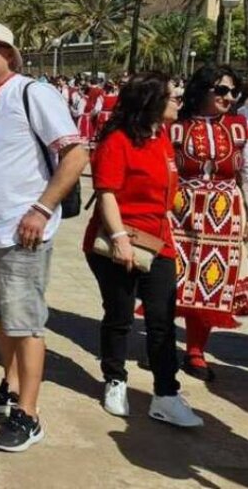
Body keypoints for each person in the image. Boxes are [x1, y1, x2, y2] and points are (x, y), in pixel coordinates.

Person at [0, 22, 87, 452]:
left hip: (23, 229)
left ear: (10, 53)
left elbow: (75, 154)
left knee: (26, 323)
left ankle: (28, 415)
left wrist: (42, 207)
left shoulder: (33, 93)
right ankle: (9, 389)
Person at [84, 72, 203, 427]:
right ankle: (115, 379)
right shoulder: (118, 140)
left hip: (158, 241)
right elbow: (106, 193)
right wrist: (120, 239)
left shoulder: (163, 137)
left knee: (162, 318)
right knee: (119, 314)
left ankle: (166, 393)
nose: (178, 101)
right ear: (151, 101)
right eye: (172, 96)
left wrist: (184, 216)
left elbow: (167, 189)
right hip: (118, 241)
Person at [170, 64, 248, 381]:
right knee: (172, 279)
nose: (229, 97)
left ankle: (195, 351)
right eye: (221, 90)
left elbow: (247, 172)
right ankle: (162, 345)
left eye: (233, 91)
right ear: (202, 89)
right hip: (180, 210)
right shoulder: (177, 125)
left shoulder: (238, 127)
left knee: (210, 284)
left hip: (223, 214)